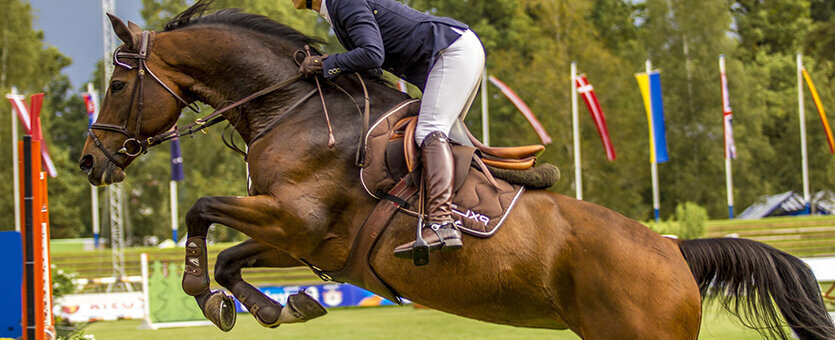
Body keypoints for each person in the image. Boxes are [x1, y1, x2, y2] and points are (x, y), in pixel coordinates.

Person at [292, 0, 485, 256]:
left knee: (429, 130)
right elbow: (372, 65)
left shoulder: (344, 2)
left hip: (450, 51)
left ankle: (441, 222)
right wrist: (328, 67)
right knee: (442, 135)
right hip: (450, 51)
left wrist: (326, 64)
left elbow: (372, 54)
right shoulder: (336, 11)